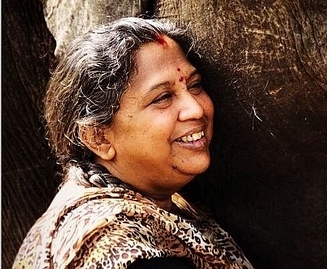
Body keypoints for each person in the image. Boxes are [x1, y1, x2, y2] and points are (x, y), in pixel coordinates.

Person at [12, 17, 254, 269]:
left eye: (194, 86)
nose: (195, 109)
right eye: (162, 97)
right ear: (98, 137)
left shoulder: (159, 206)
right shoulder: (115, 244)